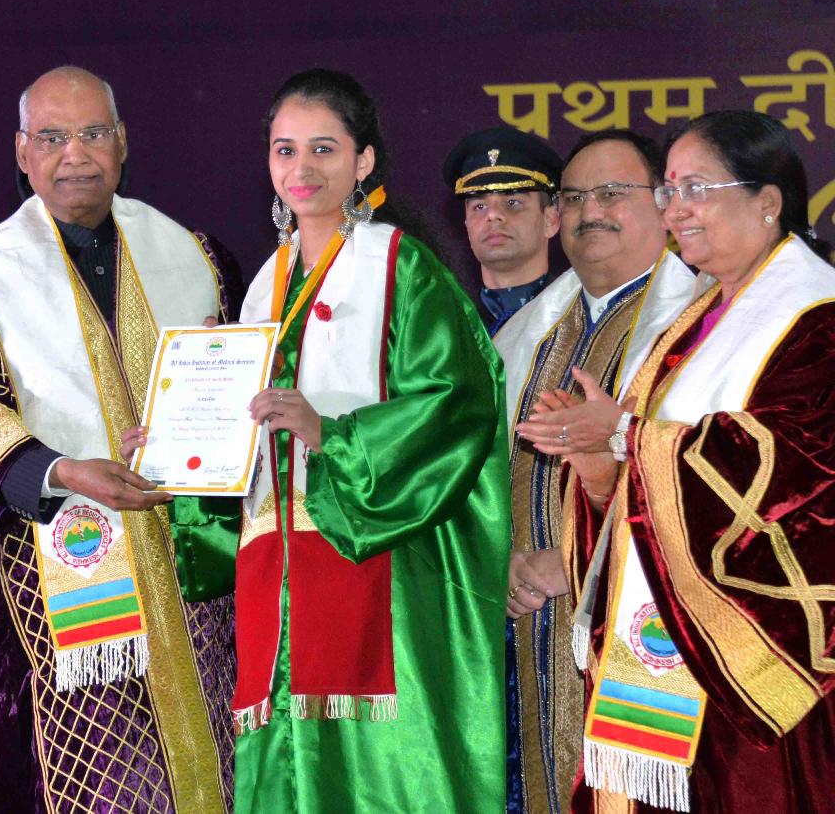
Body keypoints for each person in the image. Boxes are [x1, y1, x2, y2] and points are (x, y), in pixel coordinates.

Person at [158, 68, 511, 813]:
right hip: (275, 571)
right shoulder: (265, 282)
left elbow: (458, 402)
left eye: (324, 148)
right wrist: (174, 438)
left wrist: (332, 435)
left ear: (364, 160)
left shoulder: (401, 265)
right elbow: (248, 431)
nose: (302, 168)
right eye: (285, 150)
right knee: (285, 766)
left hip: (373, 553)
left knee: (378, 773)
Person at [0, 66, 243, 812]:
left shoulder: (197, 256)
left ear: (123, 142)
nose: (75, 154)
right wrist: (58, 471)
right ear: (21, 151)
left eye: (92, 133)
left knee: (214, 759)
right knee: (98, 780)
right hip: (50, 583)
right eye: (52, 137)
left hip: (194, 571)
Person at [518, 110, 835, 813]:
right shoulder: (698, 318)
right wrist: (597, 461)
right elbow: (644, 480)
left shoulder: (816, 316)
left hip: (751, 657)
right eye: (669, 191)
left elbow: (792, 471)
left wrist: (626, 435)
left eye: (696, 189)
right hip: (665, 636)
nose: (676, 211)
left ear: (768, 201)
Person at [496, 130, 694, 814]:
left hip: (642, 621)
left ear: (664, 204)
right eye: (575, 197)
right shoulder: (524, 335)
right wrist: (502, 561)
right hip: (522, 620)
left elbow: (698, 484)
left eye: (612, 194)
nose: (590, 212)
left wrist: (576, 562)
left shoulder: (699, 328)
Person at [442, 126, 564, 335]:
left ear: (550, 221)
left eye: (512, 202)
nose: (492, 215)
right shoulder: (445, 326)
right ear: (467, 226)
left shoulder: (579, 315)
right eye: (480, 206)